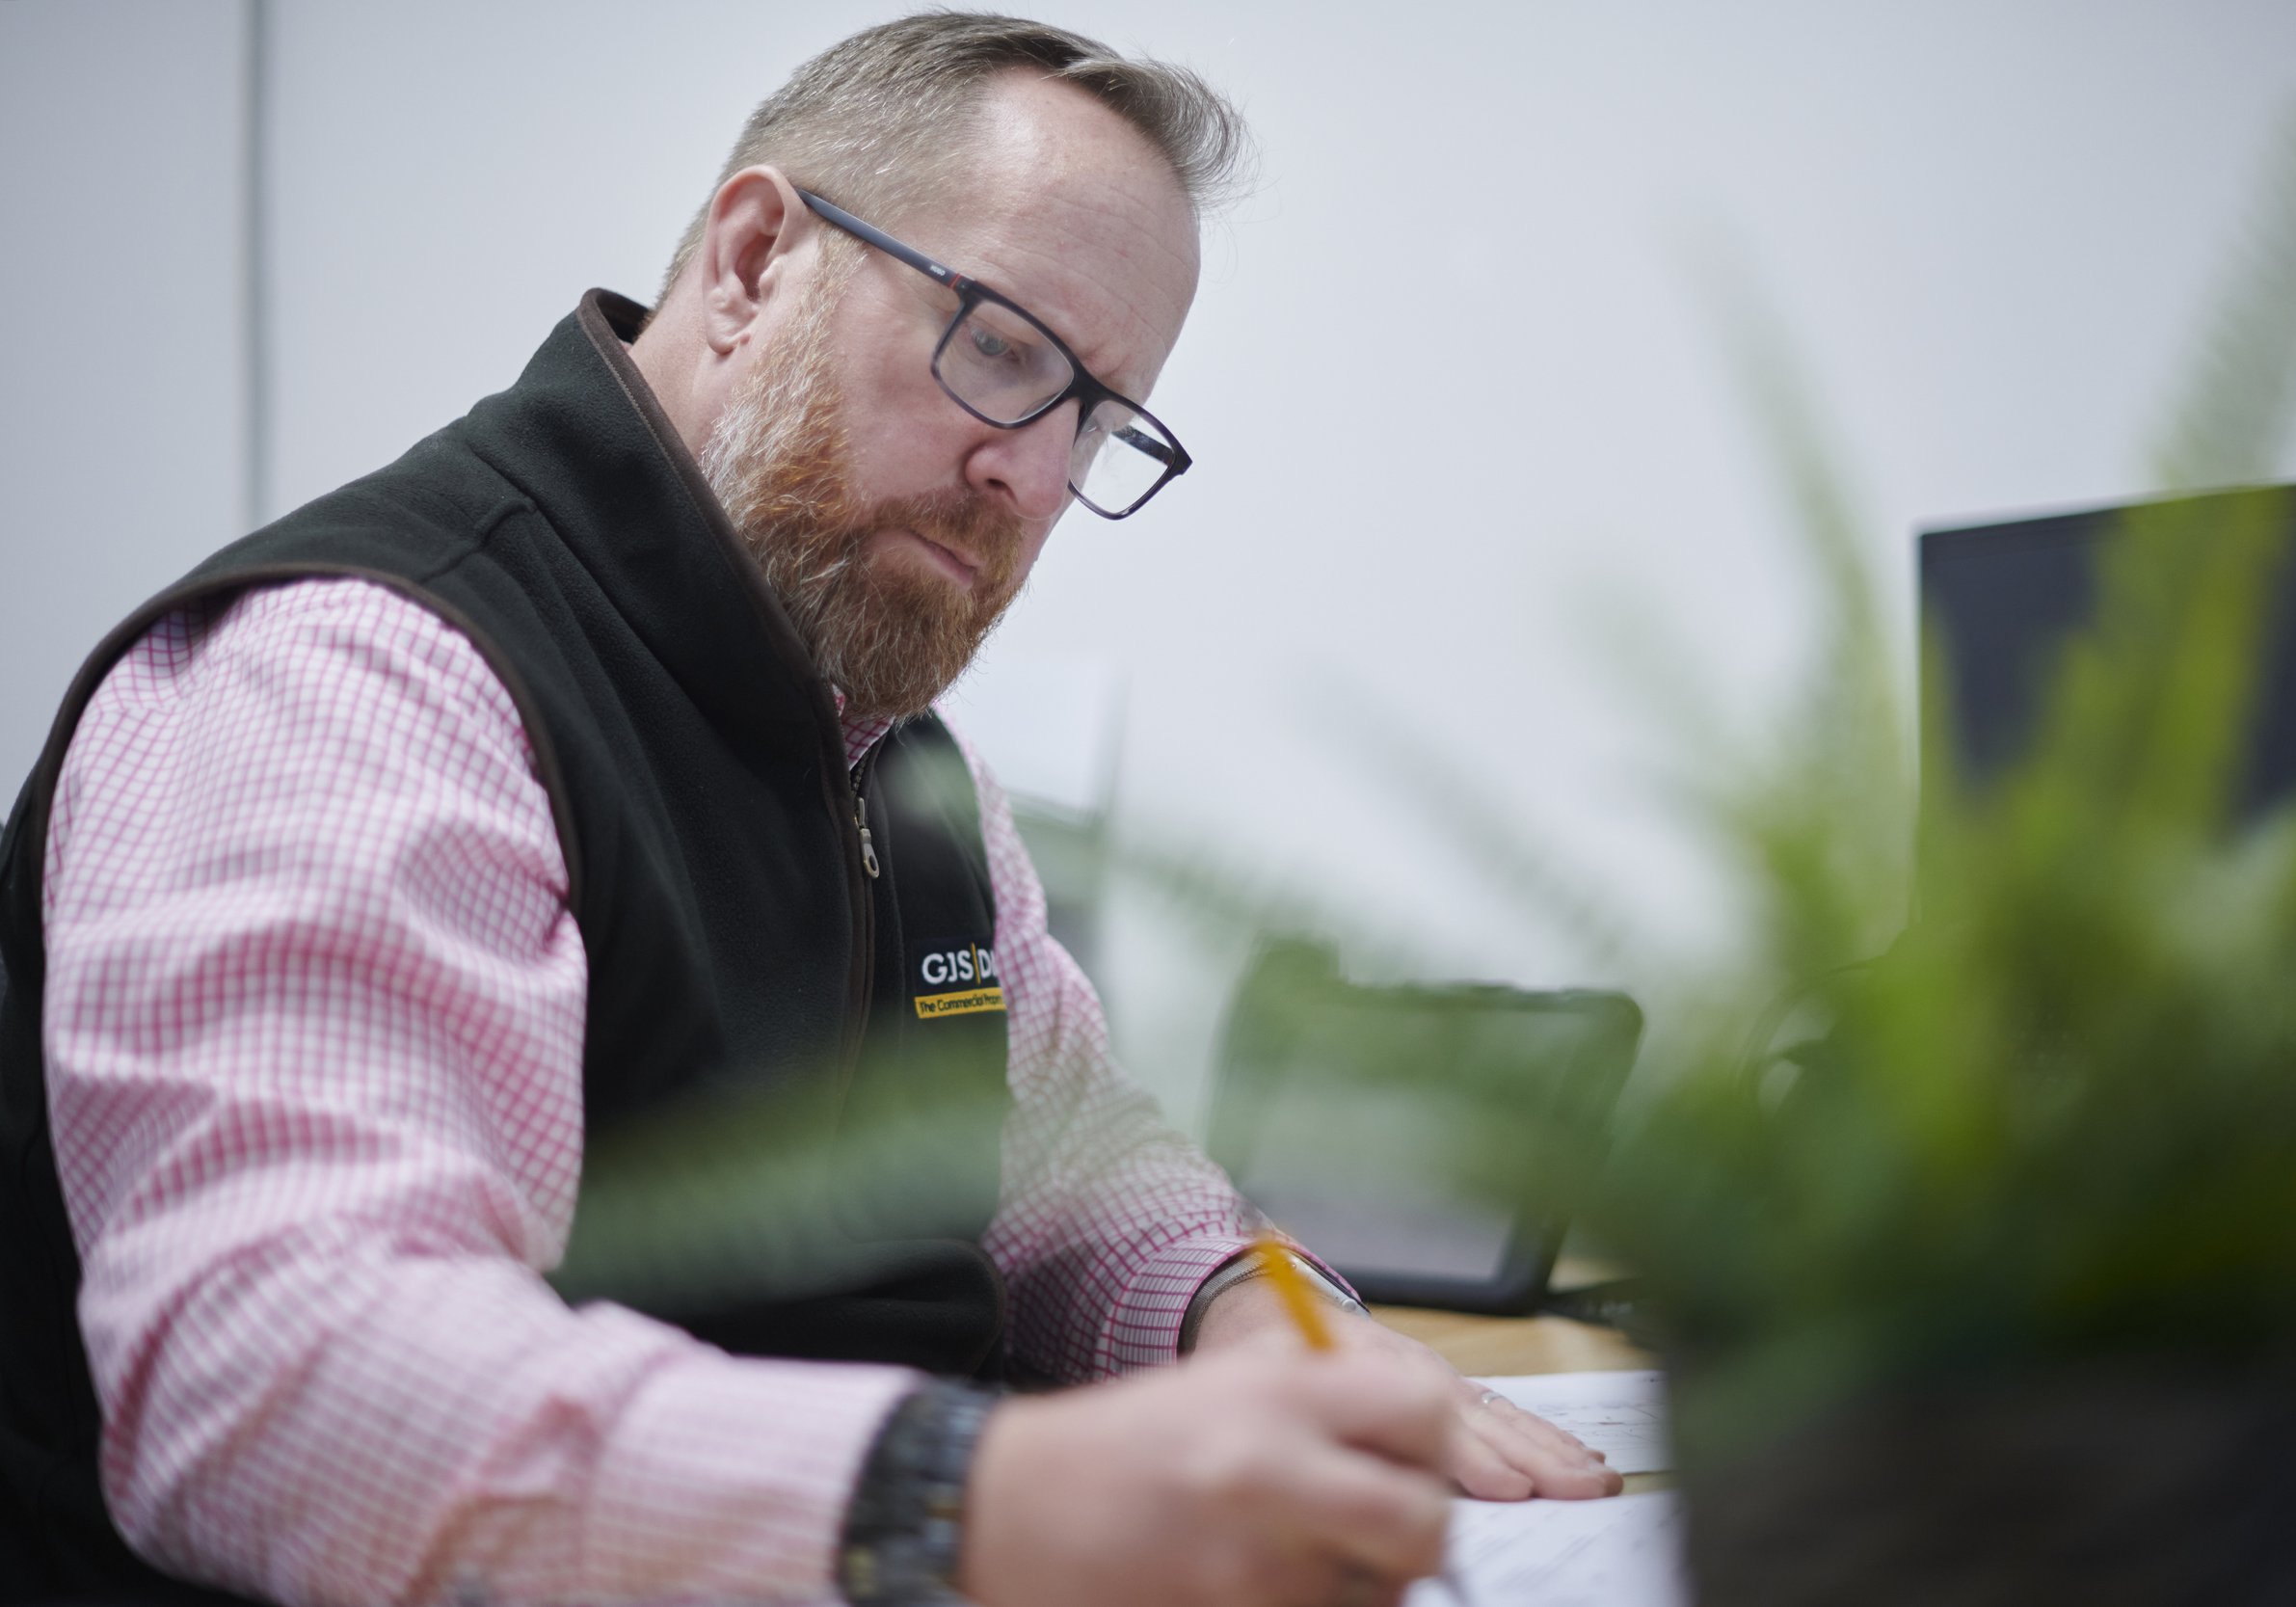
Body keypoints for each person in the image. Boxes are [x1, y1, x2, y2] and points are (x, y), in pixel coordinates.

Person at [0, 14, 1615, 1606]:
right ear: (754, 262)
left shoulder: (892, 753)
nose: (1036, 478)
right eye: (1003, 349)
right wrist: (966, 1500)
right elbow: (287, 1388)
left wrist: (1250, 1314)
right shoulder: (361, 675)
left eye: (1099, 419)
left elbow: (1073, 1171)